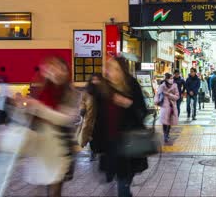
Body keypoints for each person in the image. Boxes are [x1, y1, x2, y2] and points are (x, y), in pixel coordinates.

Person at [22, 56, 80, 197]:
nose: (54, 70)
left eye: (59, 67)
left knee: (54, 190)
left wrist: (39, 109)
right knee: (40, 188)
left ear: (66, 72)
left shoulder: (71, 93)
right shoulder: (40, 90)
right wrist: (23, 108)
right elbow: (31, 119)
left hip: (60, 148)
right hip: (40, 147)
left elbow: (66, 119)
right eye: (51, 67)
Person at [93, 57, 149, 197]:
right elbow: (98, 118)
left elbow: (142, 111)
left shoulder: (132, 85)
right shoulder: (103, 88)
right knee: (118, 181)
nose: (110, 71)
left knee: (123, 184)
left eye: (115, 68)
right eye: (109, 68)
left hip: (129, 143)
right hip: (110, 144)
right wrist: (95, 144)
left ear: (122, 71)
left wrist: (127, 103)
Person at [76, 73, 104, 162]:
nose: (95, 81)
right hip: (91, 117)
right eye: (93, 80)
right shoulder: (87, 91)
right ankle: (93, 151)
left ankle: (100, 150)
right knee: (92, 135)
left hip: (102, 117)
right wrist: (82, 109)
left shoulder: (104, 90)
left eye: (97, 79)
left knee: (101, 134)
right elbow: (82, 101)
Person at [155, 73, 179, 143]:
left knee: (170, 121)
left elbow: (177, 97)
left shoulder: (175, 86)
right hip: (164, 107)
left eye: (172, 78)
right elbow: (157, 95)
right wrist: (156, 101)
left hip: (172, 107)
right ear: (166, 79)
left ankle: (167, 134)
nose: (172, 80)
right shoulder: (162, 86)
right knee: (165, 122)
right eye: (170, 78)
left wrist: (169, 95)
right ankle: (165, 135)